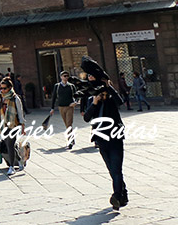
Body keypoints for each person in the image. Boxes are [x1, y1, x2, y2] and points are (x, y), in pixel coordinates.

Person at [83, 75, 128, 210]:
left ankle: (116, 196)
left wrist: (109, 88)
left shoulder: (111, 99)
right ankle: (123, 194)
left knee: (117, 170)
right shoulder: (93, 100)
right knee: (112, 170)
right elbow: (86, 117)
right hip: (101, 141)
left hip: (115, 139)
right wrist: (94, 103)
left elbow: (120, 102)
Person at [0, 77, 27, 177]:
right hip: (3, 124)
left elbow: (20, 113)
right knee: (9, 144)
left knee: (10, 144)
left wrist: (23, 127)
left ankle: (11, 167)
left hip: (14, 125)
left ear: (10, 88)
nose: (2, 90)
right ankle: (19, 160)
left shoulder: (15, 98)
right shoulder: (1, 97)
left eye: (4, 88)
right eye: (1, 88)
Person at [50, 71, 78, 148]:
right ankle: (72, 139)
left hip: (69, 107)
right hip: (61, 107)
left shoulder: (71, 86)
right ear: (61, 77)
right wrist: (52, 108)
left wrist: (75, 102)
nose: (66, 77)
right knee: (66, 124)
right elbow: (54, 97)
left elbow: (77, 95)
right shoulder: (57, 86)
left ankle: (70, 142)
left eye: (67, 76)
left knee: (69, 124)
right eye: (64, 76)